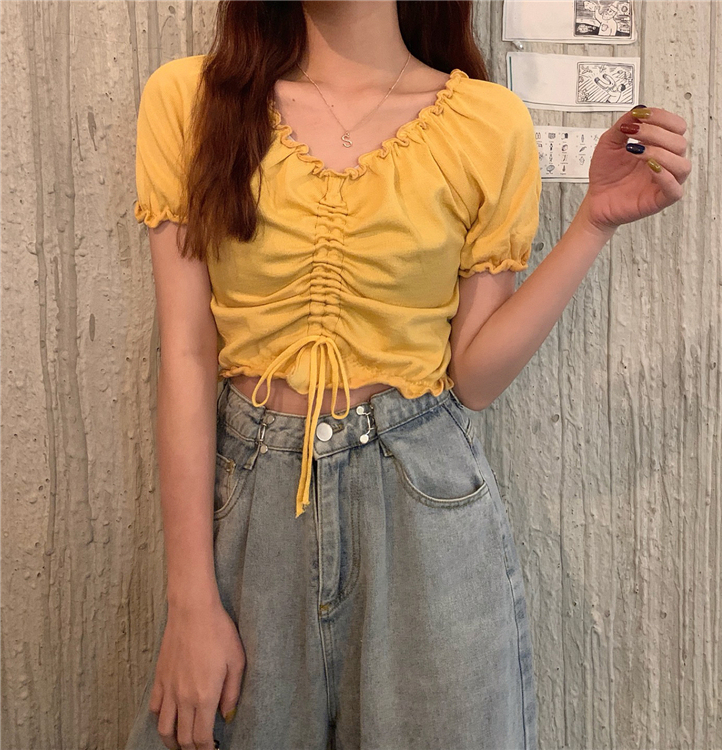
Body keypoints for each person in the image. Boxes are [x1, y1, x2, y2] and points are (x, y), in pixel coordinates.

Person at [123, 2, 691, 749]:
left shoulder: (485, 123)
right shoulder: (193, 101)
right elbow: (188, 356)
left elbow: (474, 378)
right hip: (253, 507)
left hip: (424, 508)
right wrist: (190, 601)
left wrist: (593, 222)